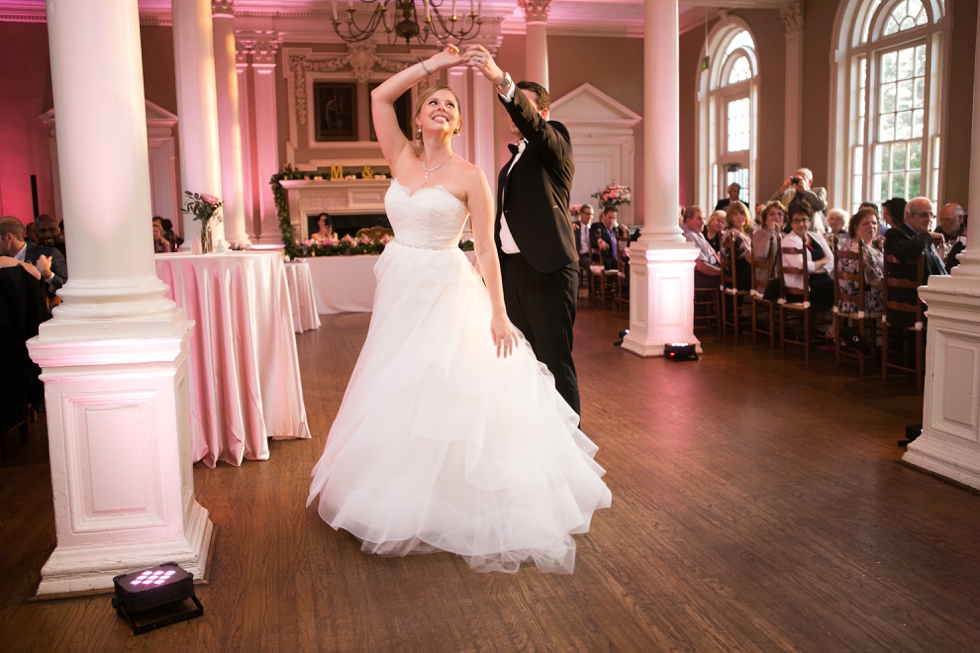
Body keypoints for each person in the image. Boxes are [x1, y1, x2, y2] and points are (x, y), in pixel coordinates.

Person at [306, 45, 610, 576]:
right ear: (420, 118)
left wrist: (498, 312)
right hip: (401, 285)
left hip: (447, 285)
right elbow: (380, 95)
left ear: (459, 122)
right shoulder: (399, 155)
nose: (441, 107)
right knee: (396, 383)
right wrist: (432, 67)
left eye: (450, 104)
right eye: (433, 104)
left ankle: (451, 494)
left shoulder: (471, 175)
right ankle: (388, 492)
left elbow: (487, 248)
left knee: (445, 384)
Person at [467, 45, 582, 416]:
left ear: (542, 114)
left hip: (548, 269)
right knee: (521, 361)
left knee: (553, 360)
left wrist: (502, 80)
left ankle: (570, 451)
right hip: (513, 272)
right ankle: (536, 440)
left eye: (524, 107)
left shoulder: (555, 144)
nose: (514, 114)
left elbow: (536, 126)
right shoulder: (510, 164)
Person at [883, 196, 947, 328]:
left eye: (931, 215)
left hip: (931, 299)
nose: (929, 219)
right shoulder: (895, 234)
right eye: (924, 215)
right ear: (908, 216)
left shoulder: (920, 238)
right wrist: (927, 236)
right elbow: (901, 251)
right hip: (913, 306)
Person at [780, 202, 834, 313]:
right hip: (802, 289)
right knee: (840, 288)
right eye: (796, 220)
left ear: (809, 221)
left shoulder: (816, 237)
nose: (801, 224)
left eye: (804, 220)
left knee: (843, 288)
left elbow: (832, 260)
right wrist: (823, 261)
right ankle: (837, 327)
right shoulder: (789, 241)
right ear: (791, 222)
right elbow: (802, 266)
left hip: (821, 282)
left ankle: (836, 327)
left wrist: (815, 270)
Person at [0, 215, 68, 295]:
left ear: (9, 238)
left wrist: (48, 274)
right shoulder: (3, 260)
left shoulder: (49, 253)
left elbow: (68, 286)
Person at [837, 207, 884, 315]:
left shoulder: (847, 246)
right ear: (855, 227)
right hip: (867, 303)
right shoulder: (863, 250)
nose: (871, 226)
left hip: (846, 302)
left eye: (874, 223)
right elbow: (875, 281)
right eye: (865, 224)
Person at [771, 168, 828, 232]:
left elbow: (821, 205)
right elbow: (771, 205)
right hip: (789, 230)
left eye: (802, 179)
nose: (799, 182)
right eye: (797, 179)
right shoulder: (789, 193)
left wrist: (805, 191)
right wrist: (783, 188)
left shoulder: (818, 191)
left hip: (811, 230)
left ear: (810, 182)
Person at [680, 206, 721, 288]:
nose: (703, 222)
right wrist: (721, 272)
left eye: (704, 219)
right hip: (700, 276)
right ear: (688, 221)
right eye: (699, 219)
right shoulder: (689, 236)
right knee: (732, 280)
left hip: (708, 270)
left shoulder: (696, 232)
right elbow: (701, 266)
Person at [721, 201, 753, 290]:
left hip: (729, 277)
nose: (739, 217)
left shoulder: (728, 232)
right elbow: (750, 258)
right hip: (740, 279)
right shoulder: (737, 235)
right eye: (735, 214)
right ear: (730, 217)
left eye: (742, 213)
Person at [752, 201, 785, 284]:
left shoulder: (786, 237)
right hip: (767, 284)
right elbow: (760, 255)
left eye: (780, 214)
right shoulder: (759, 234)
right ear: (765, 218)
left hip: (784, 282)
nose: (776, 217)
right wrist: (770, 231)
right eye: (772, 214)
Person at [590, 206, 628, 271]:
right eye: (609, 218)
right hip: (606, 260)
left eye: (614, 218)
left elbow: (623, 242)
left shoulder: (614, 230)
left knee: (631, 262)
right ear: (604, 216)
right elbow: (593, 234)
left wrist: (625, 232)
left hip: (617, 259)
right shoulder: (597, 226)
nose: (611, 220)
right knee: (627, 266)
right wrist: (600, 240)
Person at [571, 203, 594, 270]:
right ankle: (591, 281)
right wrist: (571, 231)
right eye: (587, 214)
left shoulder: (593, 228)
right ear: (580, 214)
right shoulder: (574, 226)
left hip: (591, 255)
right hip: (578, 256)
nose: (590, 217)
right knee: (590, 263)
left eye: (592, 214)